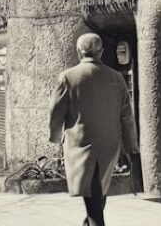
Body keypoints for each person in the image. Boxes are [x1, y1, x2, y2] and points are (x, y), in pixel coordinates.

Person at [48, 33, 139, 226]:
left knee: (94, 204)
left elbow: (56, 113)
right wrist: (131, 147)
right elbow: (127, 118)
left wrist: (55, 137)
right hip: (109, 146)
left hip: (81, 147)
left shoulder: (68, 77)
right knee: (98, 196)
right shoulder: (116, 79)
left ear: (78, 52)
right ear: (101, 52)